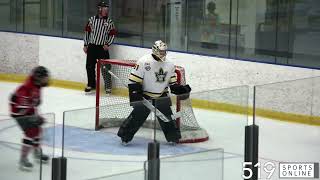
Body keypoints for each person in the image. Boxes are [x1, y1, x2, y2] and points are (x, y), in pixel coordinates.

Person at [117, 40, 191, 145]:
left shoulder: (170, 64)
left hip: (162, 96)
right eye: (161, 51)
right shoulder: (143, 61)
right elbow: (134, 80)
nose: (163, 54)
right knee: (137, 117)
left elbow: (172, 83)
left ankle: (173, 138)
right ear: (155, 50)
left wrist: (180, 90)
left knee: (167, 118)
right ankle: (125, 137)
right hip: (145, 96)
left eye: (164, 51)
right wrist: (136, 95)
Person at [9, 66, 50, 171]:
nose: (47, 79)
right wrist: (33, 118)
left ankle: (36, 152)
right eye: (45, 77)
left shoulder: (37, 85)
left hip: (28, 110)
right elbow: (20, 109)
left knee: (38, 129)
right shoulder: (26, 88)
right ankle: (23, 160)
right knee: (31, 131)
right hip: (18, 112)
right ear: (38, 77)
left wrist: (36, 115)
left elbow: (34, 103)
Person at [83, 1, 117, 94]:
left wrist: (108, 44)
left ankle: (108, 87)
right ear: (99, 9)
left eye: (107, 8)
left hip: (102, 48)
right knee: (89, 66)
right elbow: (87, 33)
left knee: (106, 67)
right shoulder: (92, 20)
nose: (106, 10)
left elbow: (112, 34)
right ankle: (91, 85)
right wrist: (86, 44)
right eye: (104, 8)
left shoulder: (109, 22)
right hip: (92, 47)